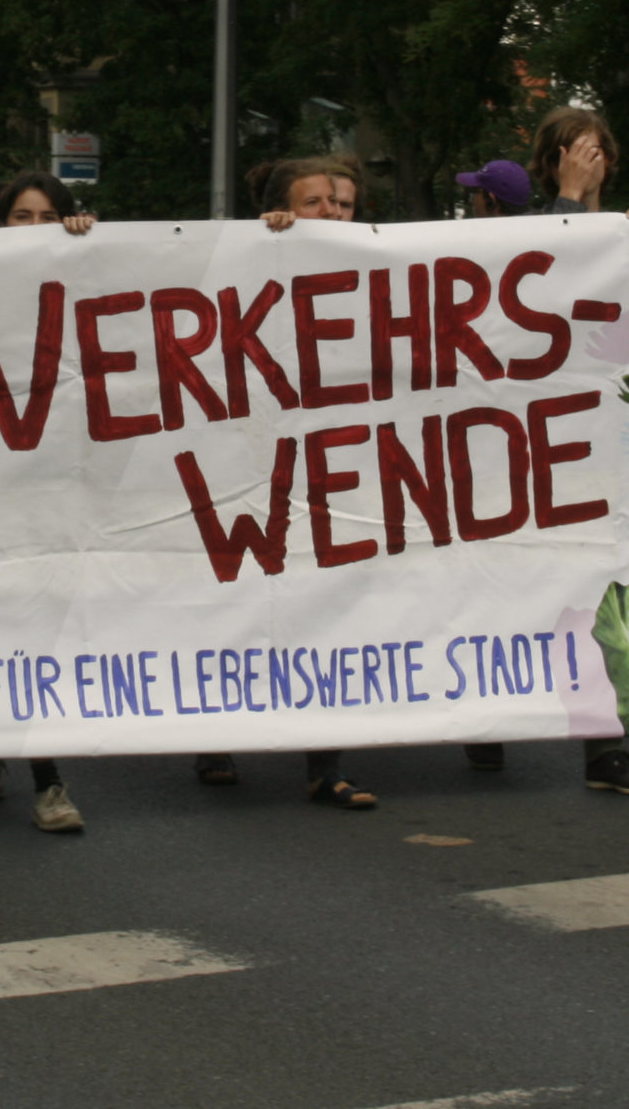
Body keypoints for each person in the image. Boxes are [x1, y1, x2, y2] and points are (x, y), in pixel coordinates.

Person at [447, 132, 629, 795]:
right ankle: (485, 723)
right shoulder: (513, 238)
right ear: (552, 166)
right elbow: (532, 278)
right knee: (500, 584)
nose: (590, 161)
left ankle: (605, 752)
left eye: (600, 150)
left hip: (589, 447)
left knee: (593, 593)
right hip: (510, 447)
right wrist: (570, 200)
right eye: (578, 151)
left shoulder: (626, 233)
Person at [191, 158, 378, 810]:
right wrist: (258, 244)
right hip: (248, 460)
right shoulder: (247, 259)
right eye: (315, 202)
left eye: (343, 204)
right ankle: (213, 736)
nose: (332, 214)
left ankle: (325, 765)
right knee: (237, 599)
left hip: (331, 465)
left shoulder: (381, 263)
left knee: (327, 607)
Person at [0, 169, 95, 832]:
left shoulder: (78, 268)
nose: (36, 229)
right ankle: (23, 763)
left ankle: (28, 766)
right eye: (23, 217)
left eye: (49, 217)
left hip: (54, 480)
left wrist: (86, 243)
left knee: (41, 625)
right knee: (2, 618)